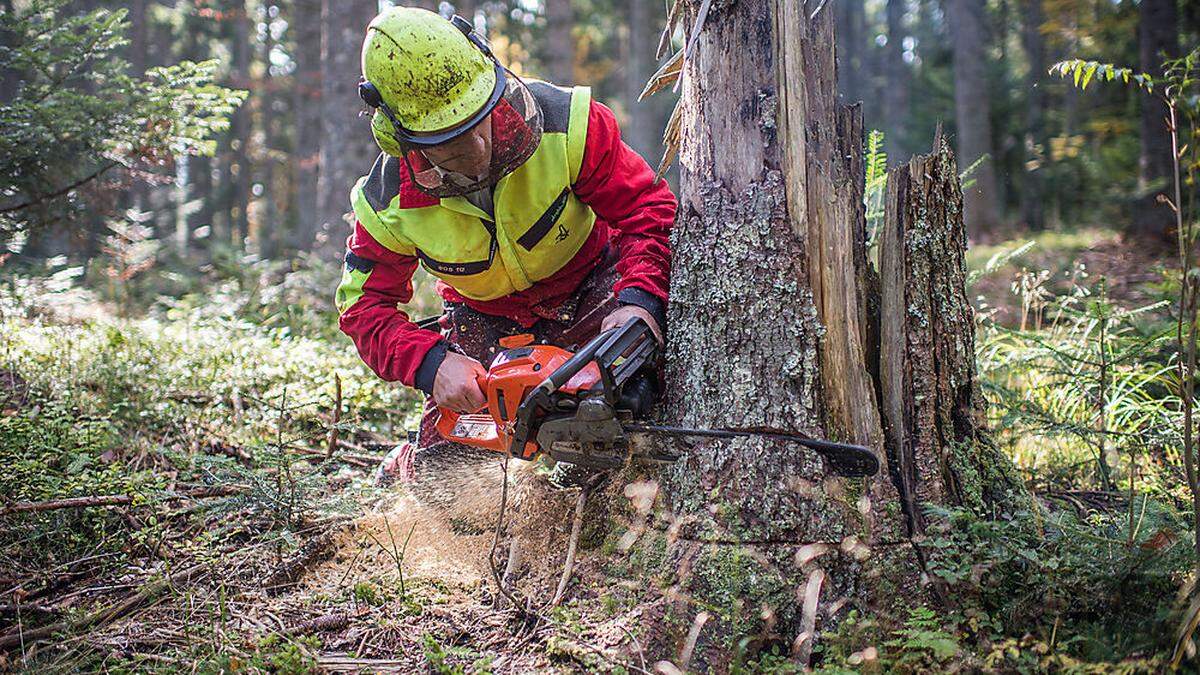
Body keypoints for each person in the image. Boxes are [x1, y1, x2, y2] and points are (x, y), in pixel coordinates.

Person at [335, 7, 675, 486]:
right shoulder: (386, 201)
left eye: (479, 121)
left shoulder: (568, 125)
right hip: (484, 322)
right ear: (401, 136)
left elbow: (646, 209)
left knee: (635, 399)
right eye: (450, 138)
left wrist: (640, 301)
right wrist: (432, 364)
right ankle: (405, 465)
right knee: (442, 479)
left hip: (592, 288)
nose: (477, 147)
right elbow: (363, 306)